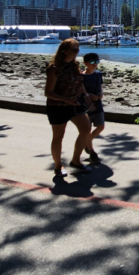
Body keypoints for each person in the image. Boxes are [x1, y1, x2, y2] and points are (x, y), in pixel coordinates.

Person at [43, 38, 93, 176]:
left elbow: (79, 81)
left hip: (75, 104)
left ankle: (76, 161)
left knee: (86, 129)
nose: (77, 52)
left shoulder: (75, 65)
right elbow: (48, 92)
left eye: (78, 49)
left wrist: (86, 95)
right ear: (64, 51)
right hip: (57, 107)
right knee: (58, 137)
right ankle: (58, 166)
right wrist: (66, 100)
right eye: (74, 49)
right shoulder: (54, 69)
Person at [81, 52, 105, 164]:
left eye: (97, 61)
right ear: (85, 63)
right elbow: (79, 91)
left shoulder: (98, 74)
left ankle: (88, 141)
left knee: (100, 126)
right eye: (92, 62)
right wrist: (89, 95)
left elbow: (100, 86)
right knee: (87, 129)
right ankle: (91, 152)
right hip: (86, 106)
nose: (95, 64)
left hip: (98, 104)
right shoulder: (82, 77)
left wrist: (100, 93)